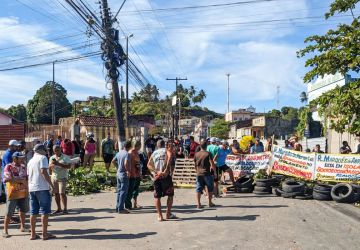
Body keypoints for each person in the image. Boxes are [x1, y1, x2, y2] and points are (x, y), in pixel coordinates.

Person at [27, 144, 55, 240]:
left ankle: (33, 234)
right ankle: (44, 234)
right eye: (45, 150)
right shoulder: (42, 158)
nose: (46, 152)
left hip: (32, 188)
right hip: (42, 188)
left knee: (33, 212)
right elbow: (43, 172)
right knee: (45, 212)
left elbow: (29, 175)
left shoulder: (30, 161)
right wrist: (51, 185)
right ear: (40, 150)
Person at [2, 152, 29, 238]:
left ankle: (23, 227)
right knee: (9, 212)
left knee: (23, 210)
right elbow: (8, 179)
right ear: (14, 158)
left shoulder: (23, 166)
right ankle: (5, 231)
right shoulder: (8, 166)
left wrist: (17, 179)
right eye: (20, 158)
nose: (22, 159)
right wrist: (22, 181)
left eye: (22, 157)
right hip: (12, 193)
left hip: (23, 192)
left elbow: (26, 178)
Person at [147, 140, 175, 222]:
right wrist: (166, 169)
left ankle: (160, 216)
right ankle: (168, 214)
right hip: (166, 176)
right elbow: (170, 157)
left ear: (157, 145)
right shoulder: (167, 150)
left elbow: (148, 165)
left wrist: (156, 172)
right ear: (164, 145)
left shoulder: (154, 153)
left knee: (157, 196)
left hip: (157, 176)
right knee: (170, 195)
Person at [49, 145, 71, 214]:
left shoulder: (65, 157)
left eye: (58, 150)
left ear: (60, 149)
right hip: (54, 177)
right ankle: (59, 208)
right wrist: (51, 165)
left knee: (62, 193)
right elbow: (49, 167)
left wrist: (59, 164)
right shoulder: (52, 158)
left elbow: (69, 166)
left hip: (62, 177)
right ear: (53, 151)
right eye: (55, 150)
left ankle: (65, 209)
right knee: (56, 194)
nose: (57, 152)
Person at [194, 140, 216, 209]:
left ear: (200, 146)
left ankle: (198, 204)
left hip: (199, 173)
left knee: (198, 189)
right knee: (210, 188)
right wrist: (214, 172)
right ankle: (209, 203)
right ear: (206, 146)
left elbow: (195, 165)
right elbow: (212, 164)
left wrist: (196, 171)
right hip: (207, 173)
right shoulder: (208, 153)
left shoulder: (196, 154)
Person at [112, 140, 132, 214]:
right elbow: (126, 163)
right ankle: (121, 209)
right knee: (124, 191)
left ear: (123, 146)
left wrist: (118, 167)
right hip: (124, 174)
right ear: (130, 147)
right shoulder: (127, 154)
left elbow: (113, 161)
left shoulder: (119, 153)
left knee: (119, 191)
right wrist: (128, 171)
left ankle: (118, 207)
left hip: (118, 174)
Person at [125, 140, 142, 210]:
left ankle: (134, 203)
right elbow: (137, 164)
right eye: (139, 146)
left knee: (135, 189)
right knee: (132, 190)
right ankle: (130, 205)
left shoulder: (134, 152)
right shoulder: (132, 153)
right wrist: (140, 172)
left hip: (135, 173)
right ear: (138, 145)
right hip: (134, 173)